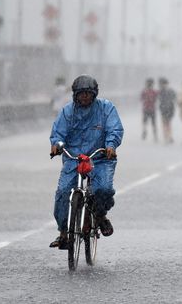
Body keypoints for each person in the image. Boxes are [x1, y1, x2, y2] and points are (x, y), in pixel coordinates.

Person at [48, 74, 124, 249]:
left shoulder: (106, 109)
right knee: (63, 192)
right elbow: (58, 133)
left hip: (101, 158)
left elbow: (115, 129)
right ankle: (64, 233)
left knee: (103, 189)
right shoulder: (67, 112)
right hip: (73, 159)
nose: (84, 97)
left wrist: (111, 145)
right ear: (75, 94)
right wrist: (57, 145)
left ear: (94, 94)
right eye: (81, 94)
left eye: (88, 93)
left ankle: (99, 215)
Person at [158, 77, 177, 144]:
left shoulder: (161, 91)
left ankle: (168, 136)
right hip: (167, 109)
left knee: (167, 123)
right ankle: (168, 136)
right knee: (166, 123)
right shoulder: (169, 91)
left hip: (167, 109)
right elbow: (174, 98)